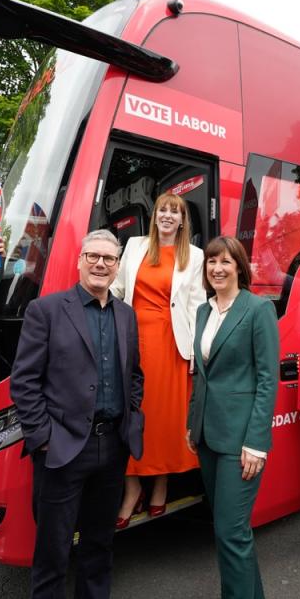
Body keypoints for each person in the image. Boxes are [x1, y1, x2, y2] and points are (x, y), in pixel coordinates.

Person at [11, 229, 144, 599]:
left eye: (109, 258)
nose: (101, 264)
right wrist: (43, 439)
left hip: (113, 446)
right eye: (93, 256)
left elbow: (134, 373)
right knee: (53, 553)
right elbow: (24, 382)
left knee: (99, 546)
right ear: (80, 261)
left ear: (118, 267)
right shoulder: (47, 311)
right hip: (63, 450)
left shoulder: (126, 315)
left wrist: (131, 416)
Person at [186, 236, 278, 599]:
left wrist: (256, 442)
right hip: (208, 435)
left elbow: (268, 378)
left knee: (231, 531)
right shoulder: (203, 311)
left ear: (239, 266)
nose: (217, 269)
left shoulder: (257, 309)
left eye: (225, 261)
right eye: (211, 262)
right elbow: (201, 373)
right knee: (229, 532)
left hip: (242, 441)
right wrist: (194, 422)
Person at [110, 192, 205, 526]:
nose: (167, 216)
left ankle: (160, 486)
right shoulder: (134, 246)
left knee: (164, 418)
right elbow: (118, 290)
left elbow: (196, 306)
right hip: (132, 340)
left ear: (182, 220)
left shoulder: (194, 256)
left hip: (171, 343)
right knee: (129, 413)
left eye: (174, 212)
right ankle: (132, 488)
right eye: (163, 210)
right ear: (155, 217)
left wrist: (195, 352)